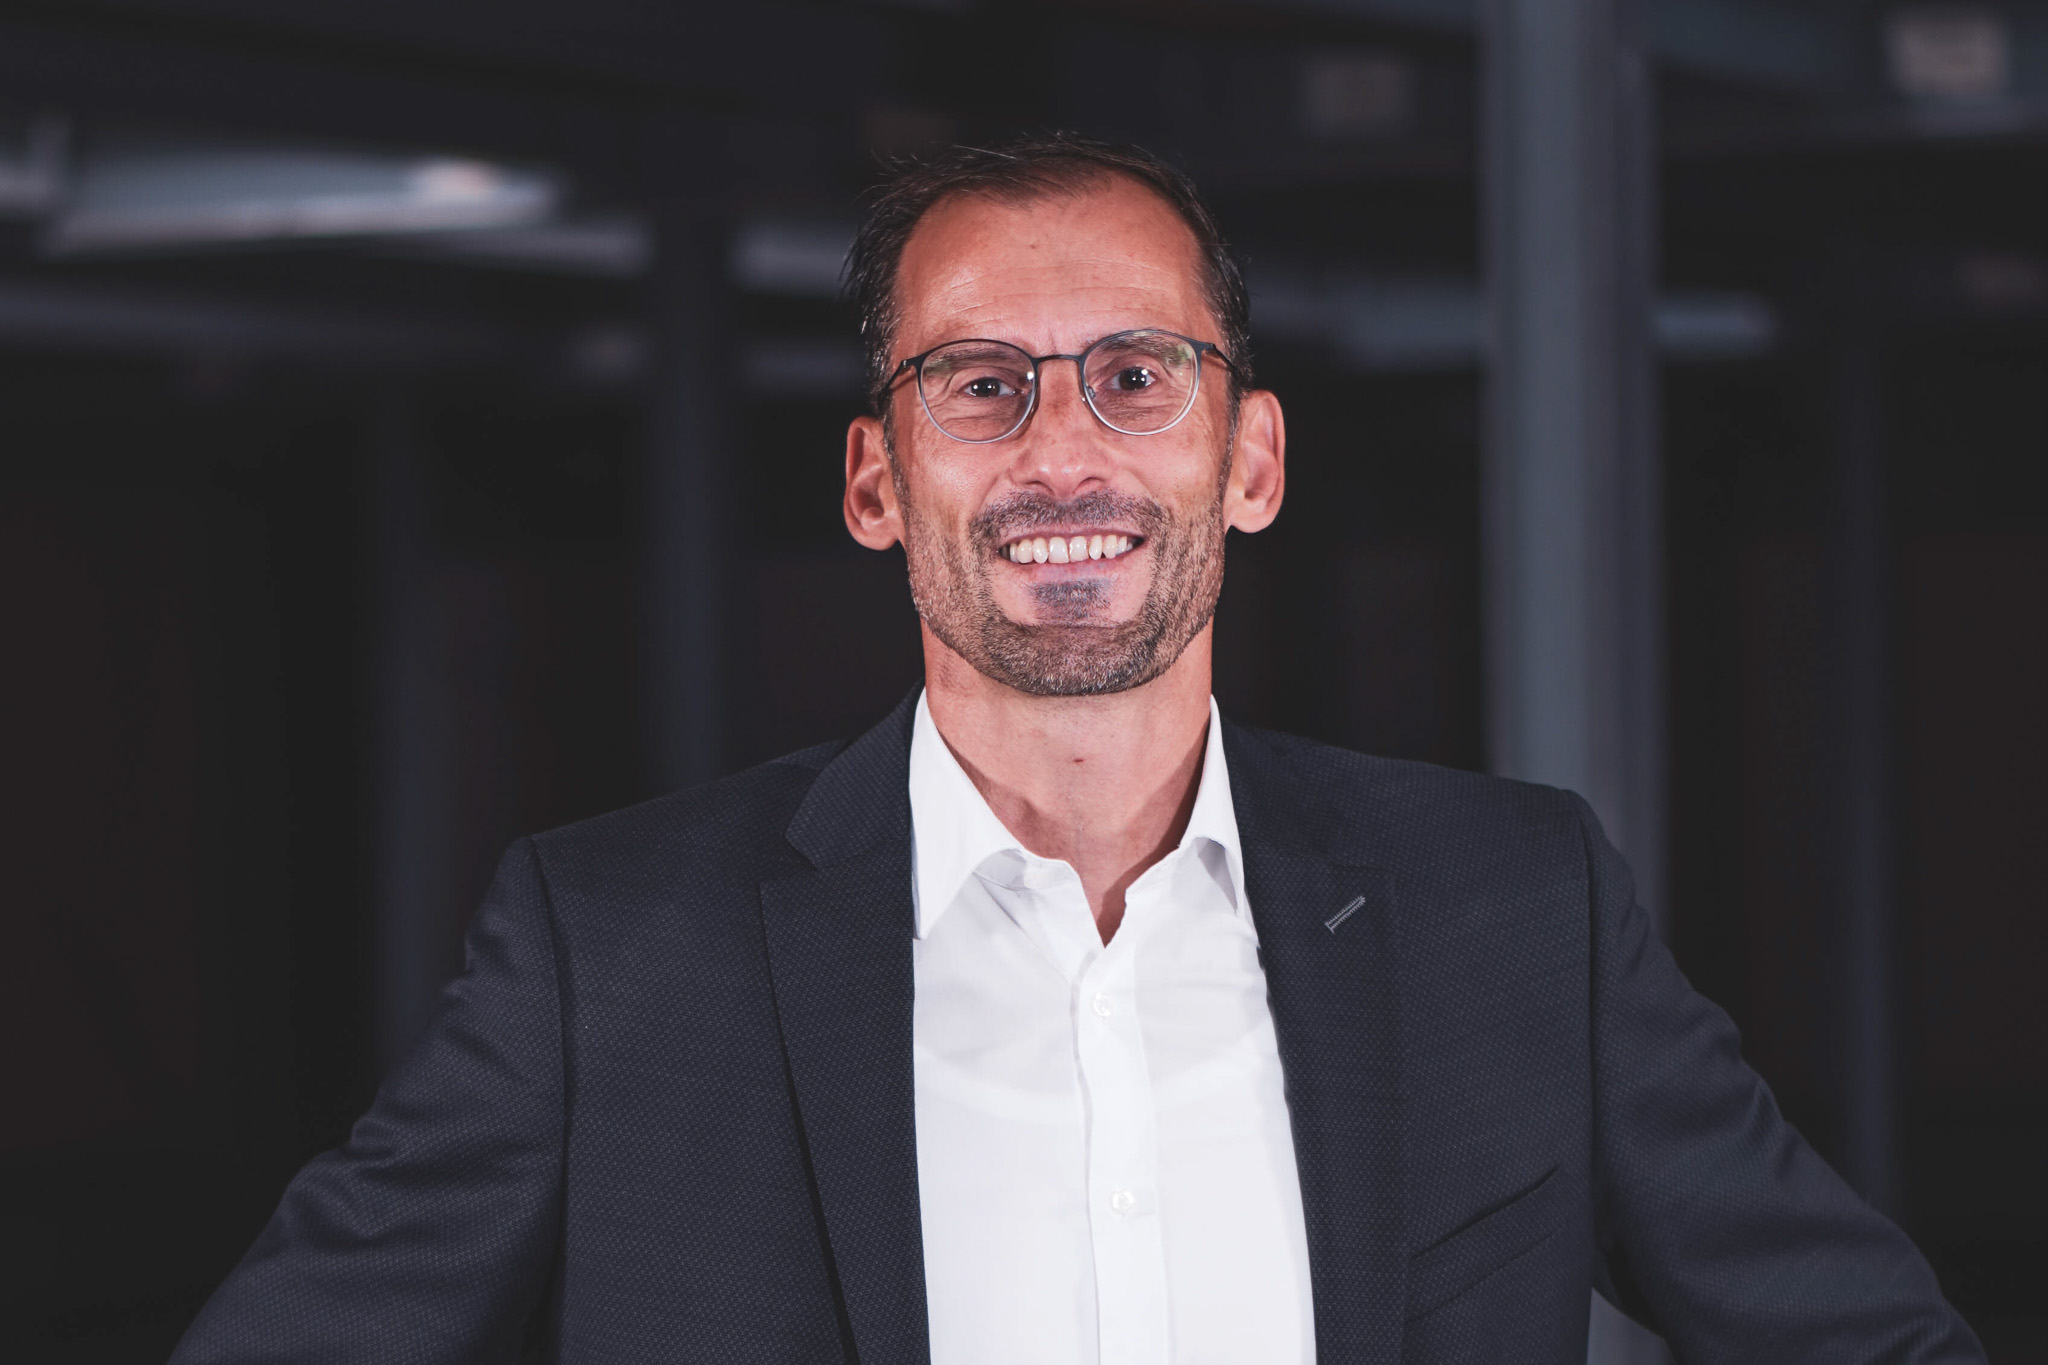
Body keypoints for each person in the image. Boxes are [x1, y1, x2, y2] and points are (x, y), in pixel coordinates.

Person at [171, 134, 1982, 1365]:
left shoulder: (1515, 909)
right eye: (980, 384)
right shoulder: (617, 950)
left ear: (1249, 460)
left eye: (1135, 374)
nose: (1061, 453)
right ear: (878, 481)